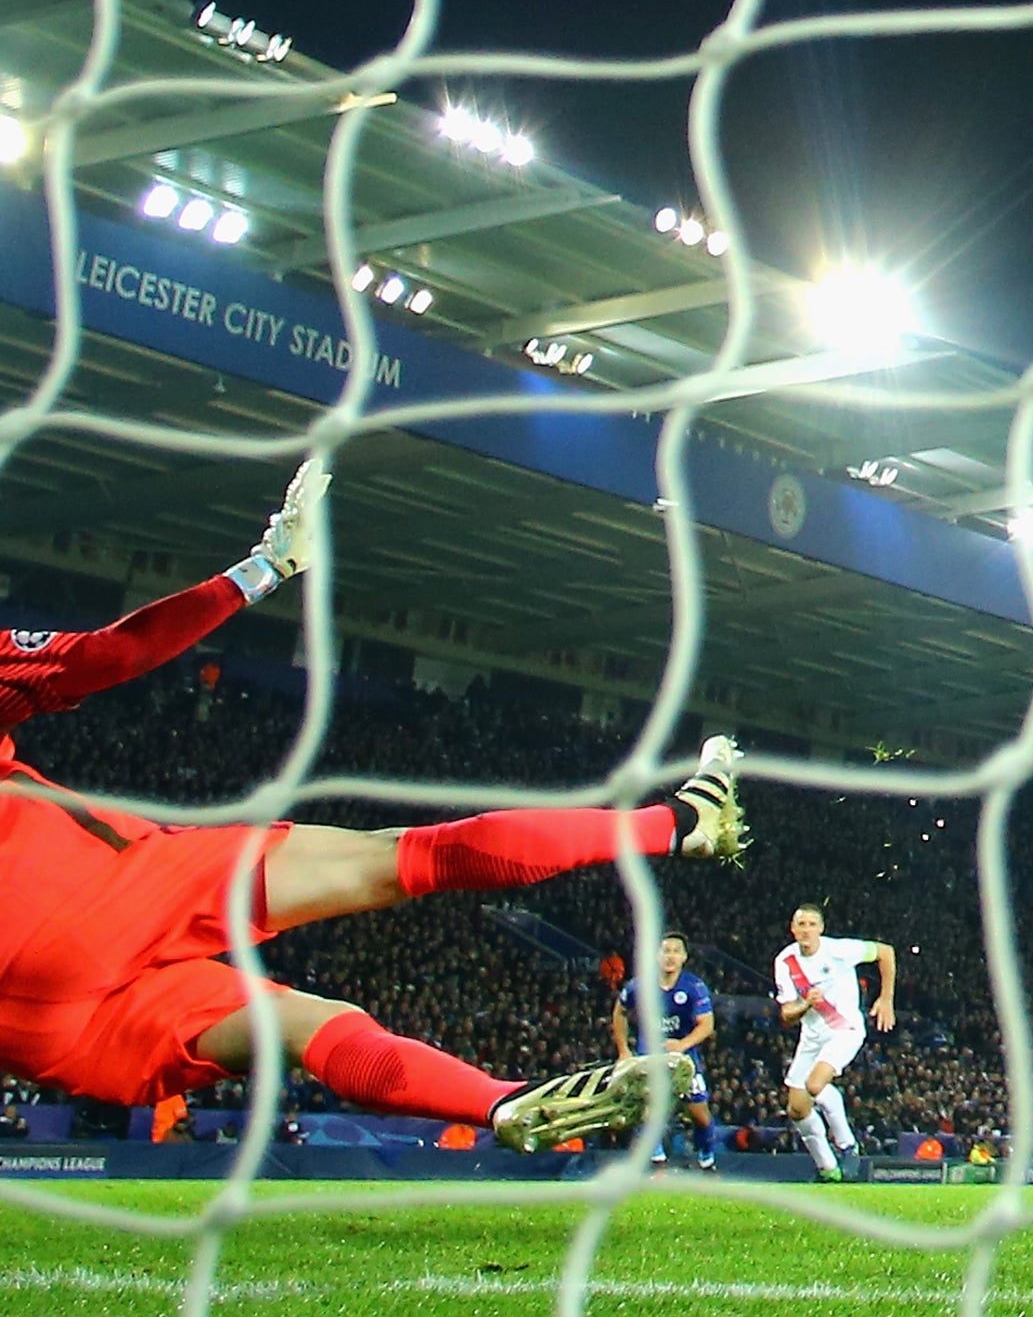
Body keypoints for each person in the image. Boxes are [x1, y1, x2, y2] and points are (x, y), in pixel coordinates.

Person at [0, 459, 750, 1155]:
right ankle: (680, 824)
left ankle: (503, 1102)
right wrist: (265, 568)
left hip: (41, 1032)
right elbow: (111, 656)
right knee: (408, 857)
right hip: (91, 897)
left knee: (302, 1026)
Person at [773, 903, 895, 1182]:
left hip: (845, 1029)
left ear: (821, 929)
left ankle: (847, 1145)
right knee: (797, 1109)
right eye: (800, 925)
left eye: (811, 925)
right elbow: (786, 1013)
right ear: (792, 929)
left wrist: (886, 998)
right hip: (812, 1036)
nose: (806, 930)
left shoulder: (839, 950)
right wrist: (806, 1003)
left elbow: (885, 952)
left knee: (815, 1085)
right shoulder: (785, 961)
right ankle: (828, 1168)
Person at [611, 929, 719, 1170]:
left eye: (676, 951)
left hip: (684, 1060)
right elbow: (620, 1011)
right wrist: (623, 1050)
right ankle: (657, 1162)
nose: (670, 956)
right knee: (647, 1110)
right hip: (648, 1056)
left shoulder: (694, 987)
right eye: (665, 950)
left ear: (684, 957)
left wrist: (681, 1045)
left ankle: (707, 1158)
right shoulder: (639, 985)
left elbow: (707, 1025)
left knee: (700, 1116)